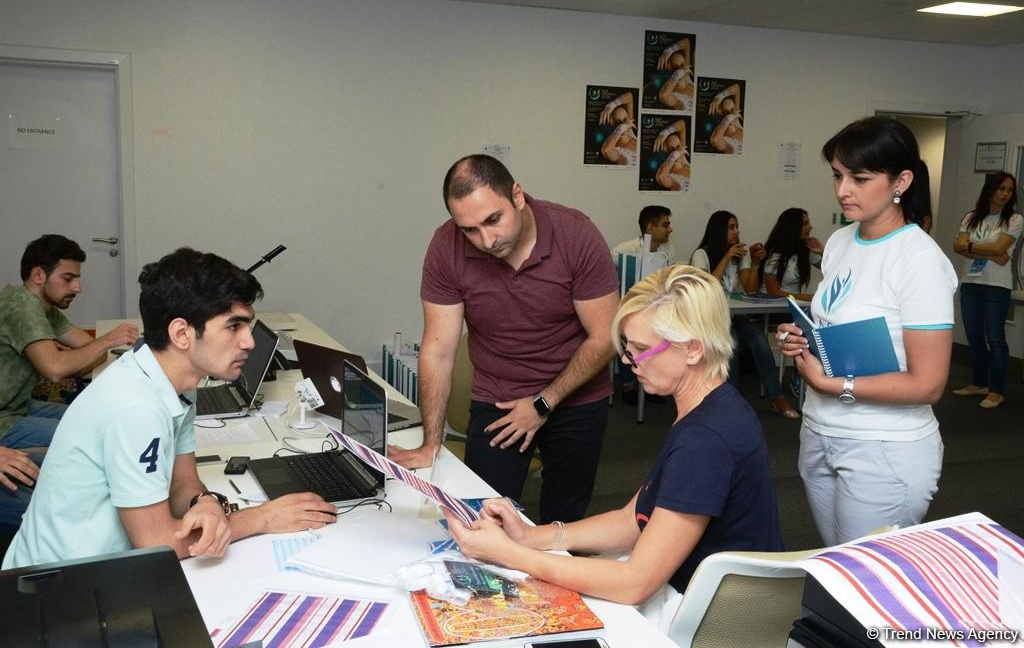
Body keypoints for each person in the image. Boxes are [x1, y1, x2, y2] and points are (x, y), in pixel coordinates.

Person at [443, 265, 782, 620]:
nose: (627, 359)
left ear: (693, 349)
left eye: (640, 348)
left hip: (708, 617)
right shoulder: (713, 407)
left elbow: (634, 583)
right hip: (703, 598)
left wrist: (507, 554)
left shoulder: (706, 440)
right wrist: (532, 537)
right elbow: (632, 520)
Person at [3, 248, 336, 569]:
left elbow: (182, 485)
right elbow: (157, 545)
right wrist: (260, 518)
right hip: (59, 590)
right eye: (234, 326)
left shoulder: (174, 384)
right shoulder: (137, 409)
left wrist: (204, 504)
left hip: (91, 571)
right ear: (181, 333)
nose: (248, 341)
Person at [390, 154, 619, 525]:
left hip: (576, 397)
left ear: (517, 195)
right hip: (497, 398)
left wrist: (543, 403)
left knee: (564, 523)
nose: (487, 240)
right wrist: (431, 443)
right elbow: (438, 350)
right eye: (469, 230)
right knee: (482, 518)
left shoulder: (575, 234)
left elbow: (606, 336)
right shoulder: (446, 247)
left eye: (493, 220)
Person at [777, 116, 957, 546]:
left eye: (859, 178)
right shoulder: (841, 242)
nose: (843, 190)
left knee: (870, 585)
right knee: (837, 569)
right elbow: (834, 323)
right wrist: (800, 338)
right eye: (838, 176)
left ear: (902, 181)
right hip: (821, 430)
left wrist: (834, 384)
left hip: (883, 446)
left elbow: (929, 384)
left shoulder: (918, 259)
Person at [0, 234, 138, 533]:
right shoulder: (21, 307)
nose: (77, 287)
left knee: (97, 422)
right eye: (68, 278)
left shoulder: (43, 309)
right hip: (5, 420)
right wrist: (109, 340)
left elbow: (88, 355)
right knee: (87, 438)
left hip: (16, 407)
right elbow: (56, 369)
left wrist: (89, 351)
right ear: (38, 275)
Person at [690, 211, 799, 420]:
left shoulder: (739, 255)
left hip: (732, 314)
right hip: (709, 316)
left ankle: (776, 397)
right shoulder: (701, 255)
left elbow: (749, 288)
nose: (736, 232)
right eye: (731, 227)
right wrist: (726, 257)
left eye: (736, 227)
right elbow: (706, 287)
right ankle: (732, 401)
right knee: (735, 341)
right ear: (719, 230)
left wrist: (756, 264)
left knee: (758, 338)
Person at [951, 171, 1021, 410]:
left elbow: (1001, 246)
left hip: (996, 286)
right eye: (1001, 188)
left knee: (995, 338)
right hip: (970, 283)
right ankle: (979, 382)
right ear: (990, 189)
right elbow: (957, 246)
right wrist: (987, 250)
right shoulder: (971, 217)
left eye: (1009, 190)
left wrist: (970, 246)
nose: (1005, 194)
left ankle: (996, 390)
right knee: (974, 336)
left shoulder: (1014, 219)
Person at [612, 205, 676, 406]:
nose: (670, 229)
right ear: (650, 228)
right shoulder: (625, 250)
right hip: (628, 309)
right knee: (627, 335)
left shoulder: (668, 251)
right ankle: (629, 385)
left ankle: (649, 383)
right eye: (665, 225)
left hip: (656, 309)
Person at [760, 208, 824, 302]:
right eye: (805, 224)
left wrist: (822, 251)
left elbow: (834, 268)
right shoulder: (774, 254)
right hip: (770, 309)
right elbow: (773, 293)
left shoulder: (806, 250)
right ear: (793, 228)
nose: (810, 227)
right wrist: (808, 298)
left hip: (792, 307)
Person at [598, 92, 637, 166]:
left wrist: (612, 105)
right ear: (613, 126)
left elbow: (630, 97)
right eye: (618, 122)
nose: (624, 123)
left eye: (625, 119)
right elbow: (606, 150)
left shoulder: (630, 131)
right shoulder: (619, 151)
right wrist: (622, 127)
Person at [652, 119, 691, 192]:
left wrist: (665, 132)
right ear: (667, 153)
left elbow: (682, 124)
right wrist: (674, 155)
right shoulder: (670, 175)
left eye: (678, 147)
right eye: (671, 150)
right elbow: (661, 177)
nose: (677, 151)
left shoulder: (683, 158)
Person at [656, 37, 694, 111]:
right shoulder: (676, 96)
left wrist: (669, 50)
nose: (683, 69)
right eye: (676, 68)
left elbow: (686, 43)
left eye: (683, 64)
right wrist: (678, 74)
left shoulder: (687, 76)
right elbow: (664, 95)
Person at [708, 84, 743, 155]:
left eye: (732, 110)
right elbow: (714, 140)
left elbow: (736, 88)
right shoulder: (723, 137)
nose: (731, 115)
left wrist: (720, 96)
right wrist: (728, 119)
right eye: (726, 112)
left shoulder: (737, 122)